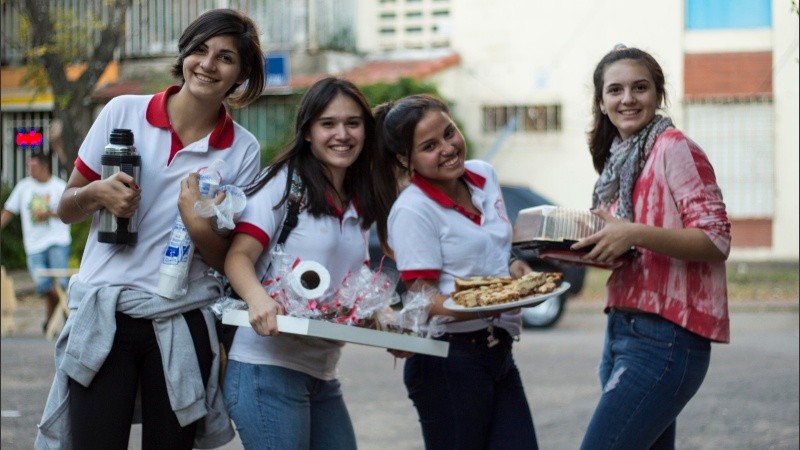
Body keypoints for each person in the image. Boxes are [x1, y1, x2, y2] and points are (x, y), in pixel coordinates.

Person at [35, 9, 265, 450]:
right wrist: (98, 194)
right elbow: (66, 208)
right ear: (184, 54)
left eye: (226, 57)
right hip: (106, 314)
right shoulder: (124, 112)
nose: (208, 64)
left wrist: (199, 225)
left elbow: (229, 261)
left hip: (181, 319)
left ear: (242, 74)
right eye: (200, 50)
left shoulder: (243, 150)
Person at [572, 45, 731, 450]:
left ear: (658, 94)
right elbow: (629, 246)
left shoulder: (674, 147)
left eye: (639, 87)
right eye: (615, 90)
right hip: (621, 328)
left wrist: (633, 233)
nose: (628, 99)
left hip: (666, 337)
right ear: (602, 101)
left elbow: (716, 239)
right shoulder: (616, 162)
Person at [223, 77, 385, 450]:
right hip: (266, 370)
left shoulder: (357, 200)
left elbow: (351, 285)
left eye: (353, 123)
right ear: (308, 131)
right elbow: (238, 256)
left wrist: (381, 318)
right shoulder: (284, 184)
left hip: (322, 373)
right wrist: (258, 299)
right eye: (328, 124)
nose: (341, 134)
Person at [372, 93, 539, 450]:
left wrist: (513, 268)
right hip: (448, 360)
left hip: (498, 350)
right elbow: (421, 297)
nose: (448, 148)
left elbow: (491, 249)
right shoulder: (413, 210)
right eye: (429, 145)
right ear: (406, 158)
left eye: (449, 133)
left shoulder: (483, 175)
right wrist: (484, 302)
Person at [1, 150, 72, 332]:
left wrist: (48, 213)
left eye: (33, 167)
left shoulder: (59, 186)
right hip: (34, 244)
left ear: (44, 167)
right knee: (44, 285)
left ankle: (51, 323)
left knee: (61, 283)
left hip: (58, 241)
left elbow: (70, 213)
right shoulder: (24, 187)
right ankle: (65, 313)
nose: (29, 171)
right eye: (28, 167)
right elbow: (8, 211)